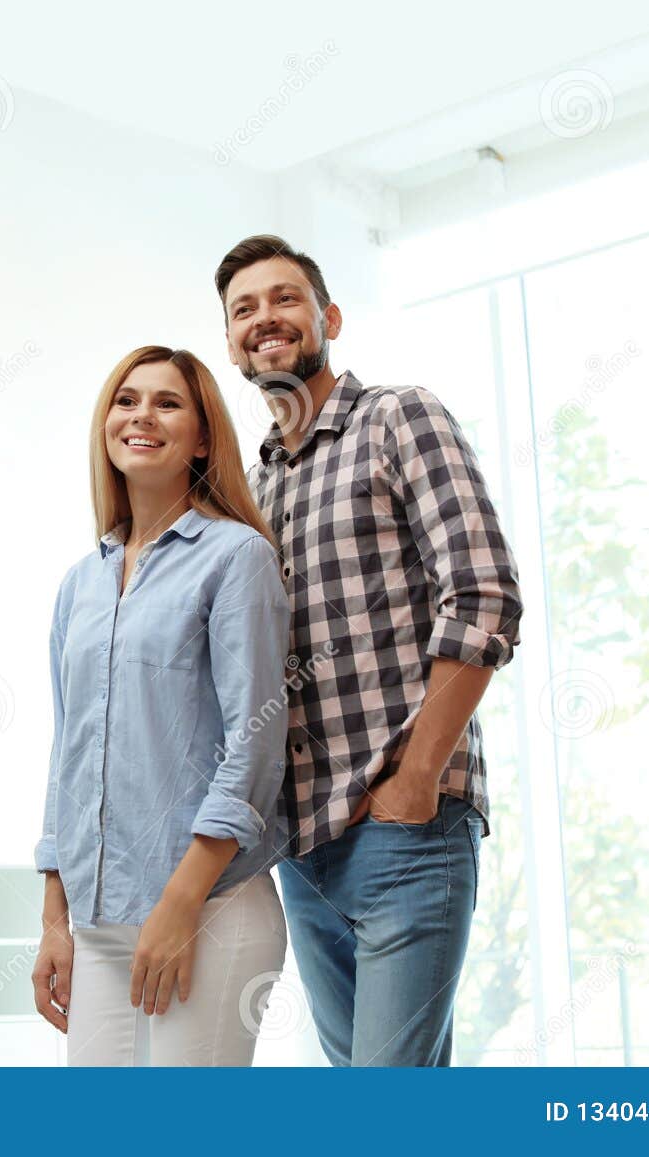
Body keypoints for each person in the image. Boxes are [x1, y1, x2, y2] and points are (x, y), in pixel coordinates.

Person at [215, 235, 524, 1066]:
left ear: (329, 318)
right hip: (305, 852)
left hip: (407, 829)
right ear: (232, 341)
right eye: (244, 309)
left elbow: (485, 592)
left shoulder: (398, 416)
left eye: (284, 299)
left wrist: (417, 775)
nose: (265, 319)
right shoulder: (257, 484)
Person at [31, 346, 291, 1066]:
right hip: (98, 920)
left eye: (168, 402)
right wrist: (56, 920)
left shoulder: (236, 557)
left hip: (209, 908)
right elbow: (68, 755)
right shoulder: (79, 584)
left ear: (203, 437)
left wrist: (179, 905)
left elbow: (255, 743)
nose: (142, 414)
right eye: (127, 399)